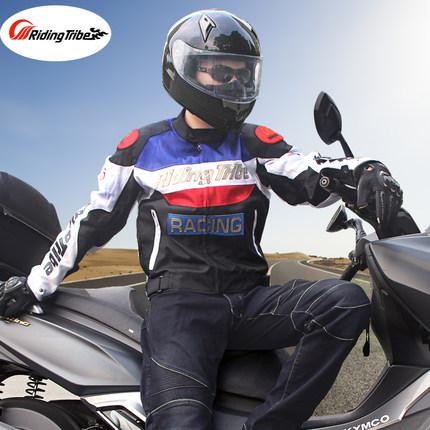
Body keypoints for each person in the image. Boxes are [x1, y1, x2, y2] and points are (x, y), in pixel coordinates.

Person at [0, 9, 405, 430]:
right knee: (181, 423)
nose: (235, 84)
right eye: (221, 72)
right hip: (180, 310)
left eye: (243, 74)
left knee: (346, 302)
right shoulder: (141, 147)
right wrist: (35, 283)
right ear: (184, 68)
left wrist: (368, 171)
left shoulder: (256, 143)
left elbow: (313, 172)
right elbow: (92, 220)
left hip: (249, 301)